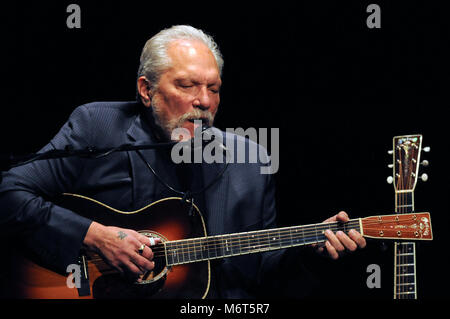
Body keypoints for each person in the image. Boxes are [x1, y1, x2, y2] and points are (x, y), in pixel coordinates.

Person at [0, 25, 366, 298]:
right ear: (146, 90)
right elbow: (8, 193)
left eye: (214, 88)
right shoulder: (99, 127)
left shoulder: (250, 160)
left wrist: (313, 251)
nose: (204, 101)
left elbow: (260, 273)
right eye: (187, 85)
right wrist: (95, 236)